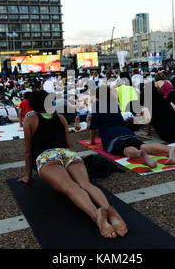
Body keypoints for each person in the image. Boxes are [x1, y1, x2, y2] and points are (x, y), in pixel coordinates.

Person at [18, 90, 128, 239]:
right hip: (68, 154)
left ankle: (97, 216)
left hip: (47, 156)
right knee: (86, 184)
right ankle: (110, 210)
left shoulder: (30, 120)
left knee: (70, 187)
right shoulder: (61, 118)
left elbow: (28, 151)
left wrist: (28, 176)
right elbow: (69, 145)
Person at [89, 85, 175, 168]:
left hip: (111, 134)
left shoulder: (97, 105)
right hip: (125, 130)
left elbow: (92, 127)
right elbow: (121, 121)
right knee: (142, 145)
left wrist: (92, 142)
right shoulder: (115, 105)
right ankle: (169, 149)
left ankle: (138, 153)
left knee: (124, 149)